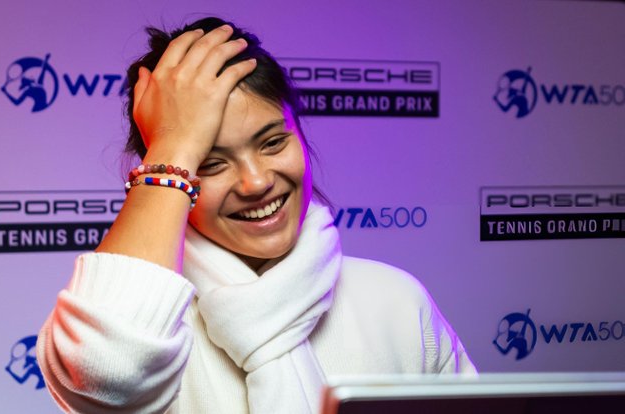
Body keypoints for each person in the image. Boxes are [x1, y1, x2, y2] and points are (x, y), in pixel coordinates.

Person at [37, 17, 476, 414]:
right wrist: (174, 143)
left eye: (273, 143)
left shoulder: (396, 300)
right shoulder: (144, 324)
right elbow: (109, 370)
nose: (256, 182)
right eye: (211, 163)